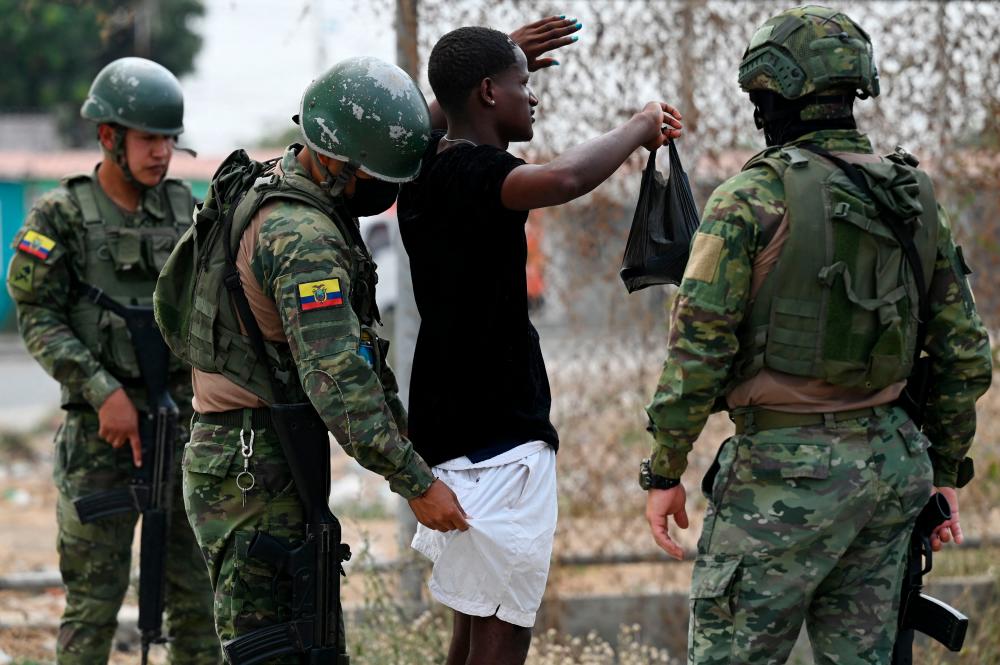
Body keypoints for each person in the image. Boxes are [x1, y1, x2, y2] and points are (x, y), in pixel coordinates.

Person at [641, 6, 993, 663]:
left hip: (780, 478)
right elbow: (966, 353)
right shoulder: (913, 197)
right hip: (892, 471)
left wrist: (664, 468)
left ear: (770, 93)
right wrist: (943, 470)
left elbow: (698, 349)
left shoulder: (749, 199)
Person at [397, 24, 682, 665]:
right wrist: (639, 129)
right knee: (500, 634)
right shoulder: (478, 171)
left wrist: (488, 65)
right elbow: (559, 181)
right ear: (490, 93)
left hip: (447, 431)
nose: (535, 98)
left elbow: (423, 122)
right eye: (523, 85)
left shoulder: (419, 171)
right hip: (501, 439)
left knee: (472, 626)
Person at [171, 57, 470, 663]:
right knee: (276, 650)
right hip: (252, 468)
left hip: (260, 454)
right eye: (376, 178)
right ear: (335, 162)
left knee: (305, 645)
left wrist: (471, 74)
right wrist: (414, 482)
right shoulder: (301, 237)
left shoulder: (287, 181)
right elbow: (337, 377)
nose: (387, 193)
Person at [5, 57, 219, 664]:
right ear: (108, 137)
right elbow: (37, 315)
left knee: (196, 606)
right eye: (148, 138)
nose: (162, 152)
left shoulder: (186, 212)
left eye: (169, 140)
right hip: (101, 440)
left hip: (182, 432)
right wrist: (103, 391)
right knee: (93, 608)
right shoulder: (61, 216)